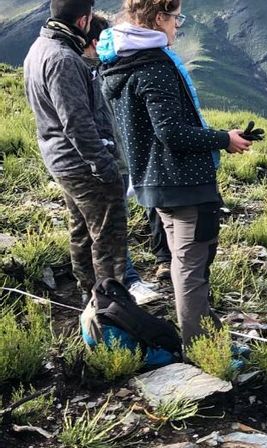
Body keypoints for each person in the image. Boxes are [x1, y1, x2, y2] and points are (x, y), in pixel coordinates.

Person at [98, 0, 252, 350]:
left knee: (186, 261)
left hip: (154, 182)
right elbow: (171, 132)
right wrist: (223, 140)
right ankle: (202, 347)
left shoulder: (120, 63)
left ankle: (208, 334)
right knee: (191, 267)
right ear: (158, 18)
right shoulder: (154, 66)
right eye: (176, 18)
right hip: (183, 183)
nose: (178, 26)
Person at [23, 0, 128, 302]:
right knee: (108, 237)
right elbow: (77, 123)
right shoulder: (64, 59)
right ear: (83, 21)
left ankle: (89, 297)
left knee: (82, 230)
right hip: (82, 164)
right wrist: (104, 166)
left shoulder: (39, 48)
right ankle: (112, 308)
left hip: (61, 160)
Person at [82, 12, 162, 306]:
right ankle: (125, 283)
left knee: (108, 224)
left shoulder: (101, 71)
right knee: (110, 225)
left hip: (114, 158)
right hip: (103, 162)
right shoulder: (90, 73)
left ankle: (117, 284)